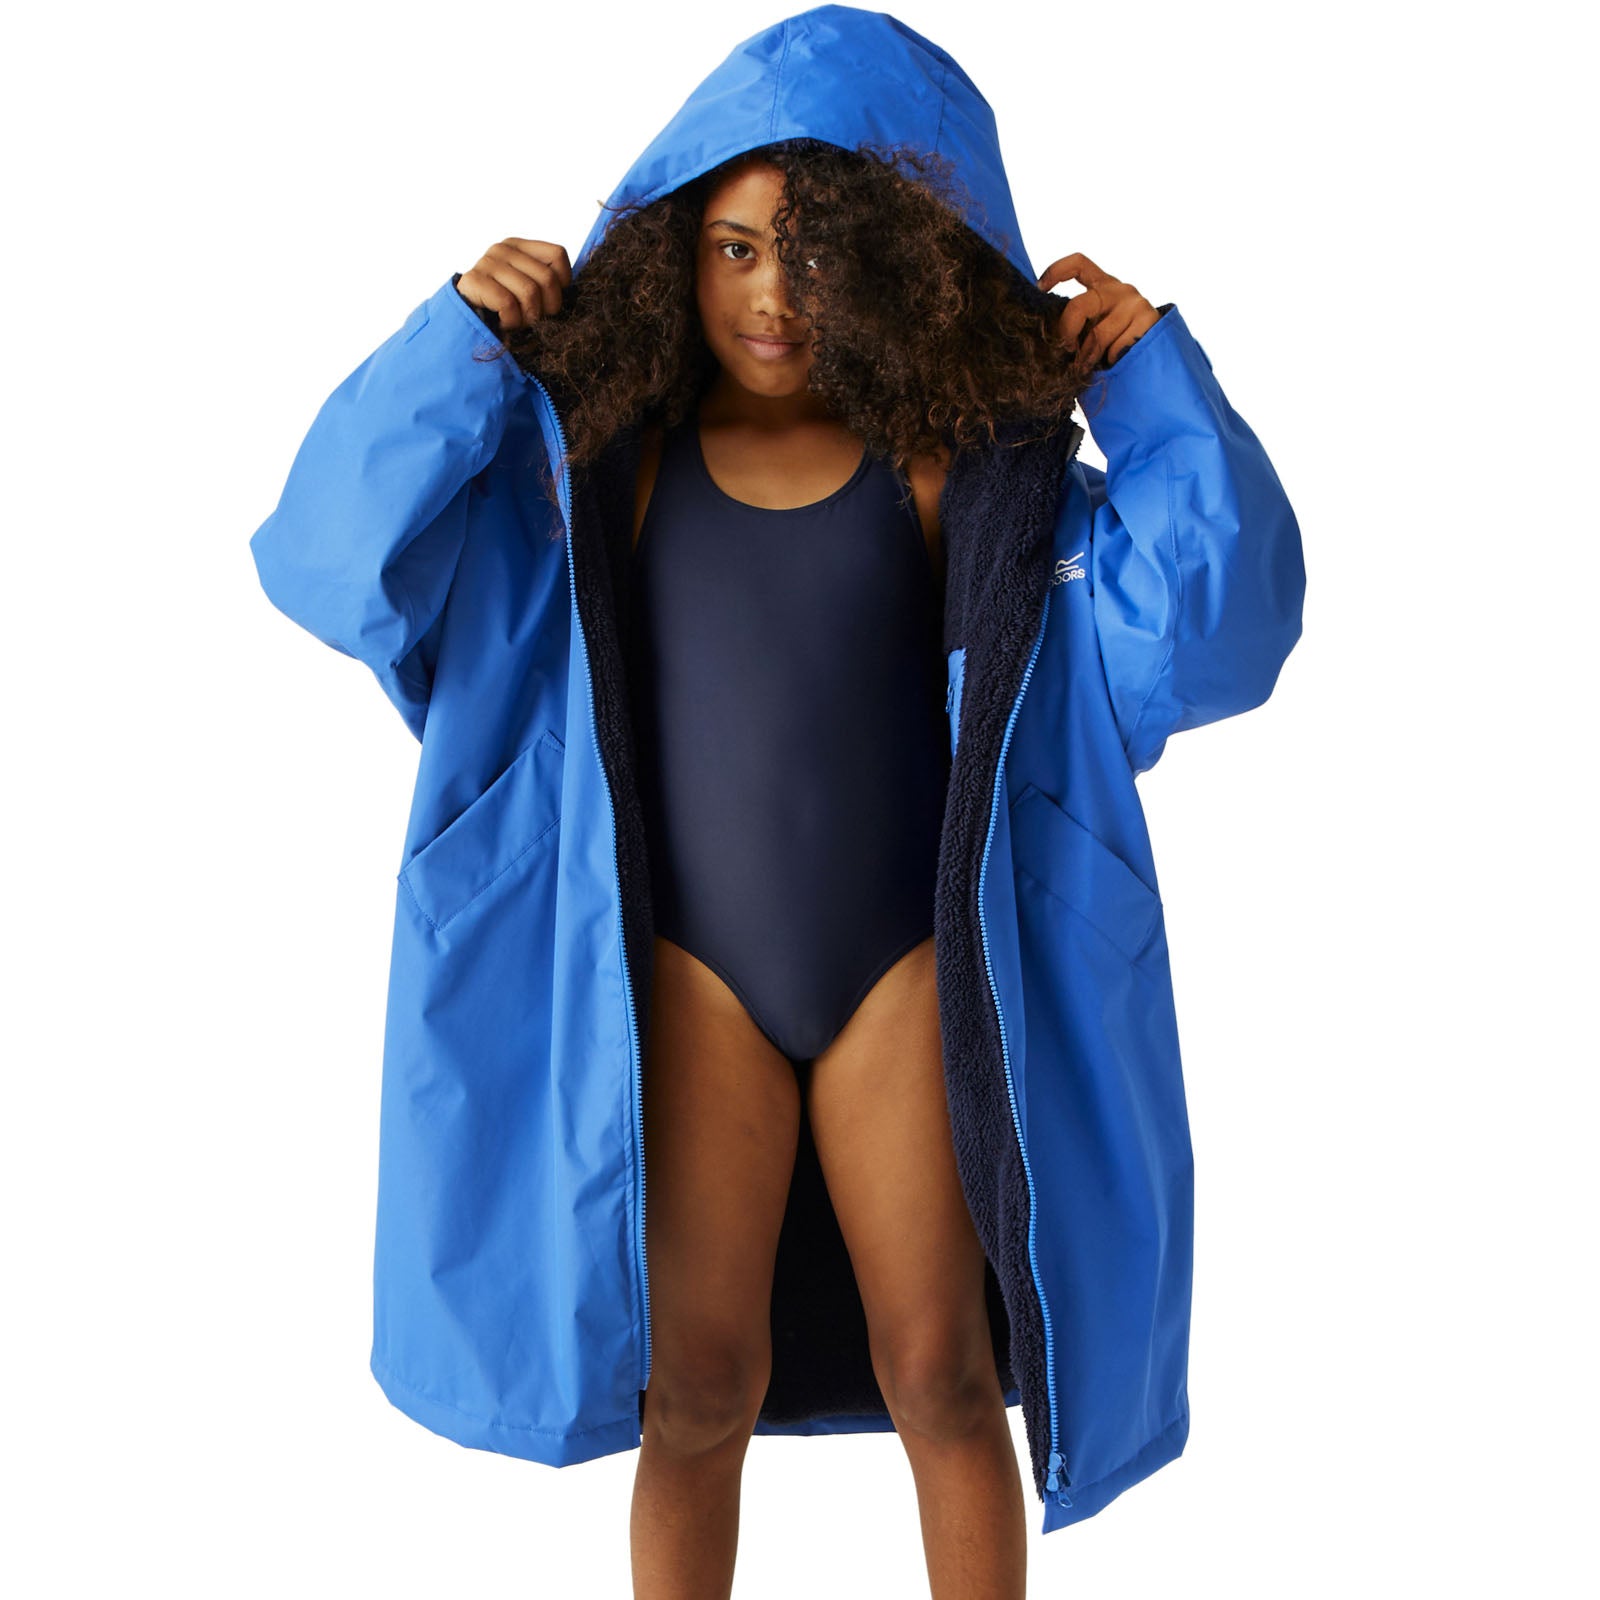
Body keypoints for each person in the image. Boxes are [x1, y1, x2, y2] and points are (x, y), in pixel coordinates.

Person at [249, 8, 1305, 1598]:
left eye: (814, 253)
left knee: (944, 1373)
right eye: (735, 249)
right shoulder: (600, 474)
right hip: (693, 977)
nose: (770, 294)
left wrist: (1149, 386)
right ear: (674, 255)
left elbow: (1223, 627)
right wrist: (455, 347)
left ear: (890, 265)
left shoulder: (952, 469)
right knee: (695, 1394)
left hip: (901, 972)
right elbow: (327, 560)